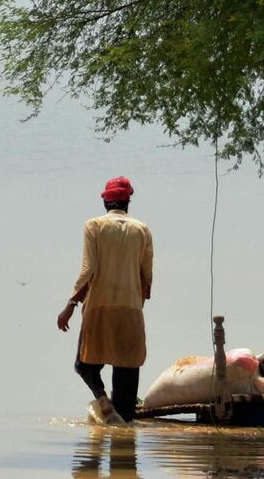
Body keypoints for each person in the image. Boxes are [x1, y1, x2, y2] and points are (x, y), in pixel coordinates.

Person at [58, 176, 153, 423]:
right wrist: (137, 304)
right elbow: (147, 277)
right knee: (127, 381)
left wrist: (70, 304)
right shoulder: (142, 230)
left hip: (99, 308)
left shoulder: (94, 226)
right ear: (128, 201)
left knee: (85, 365)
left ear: (105, 202)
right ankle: (124, 448)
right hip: (131, 310)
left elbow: (88, 269)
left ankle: (102, 400)